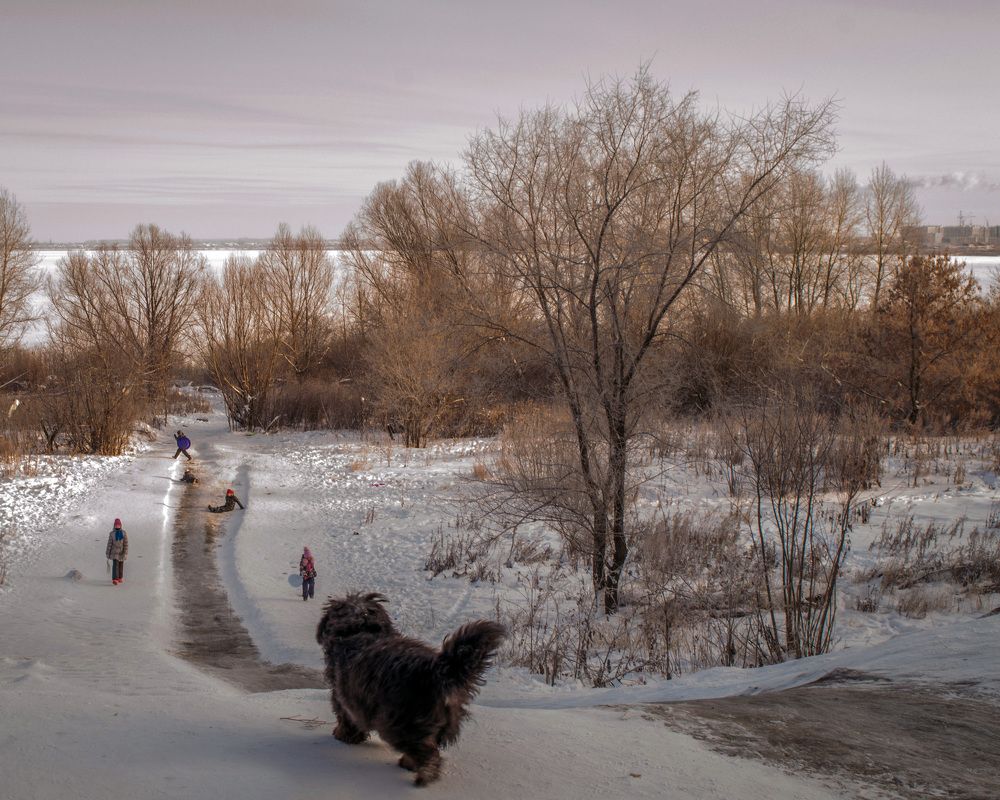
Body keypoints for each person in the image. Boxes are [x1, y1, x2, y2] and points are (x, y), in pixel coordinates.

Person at [105, 518, 129, 586]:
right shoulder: (112, 534)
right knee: (115, 565)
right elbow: (109, 544)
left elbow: (126, 543)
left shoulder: (124, 533)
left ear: (121, 525)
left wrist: (125, 552)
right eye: (116, 525)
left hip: (121, 552)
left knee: (121, 565)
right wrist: (108, 552)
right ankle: (115, 579)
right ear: (114, 525)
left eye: (118, 525)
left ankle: (120, 577)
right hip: (114, 552)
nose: (117, 526)